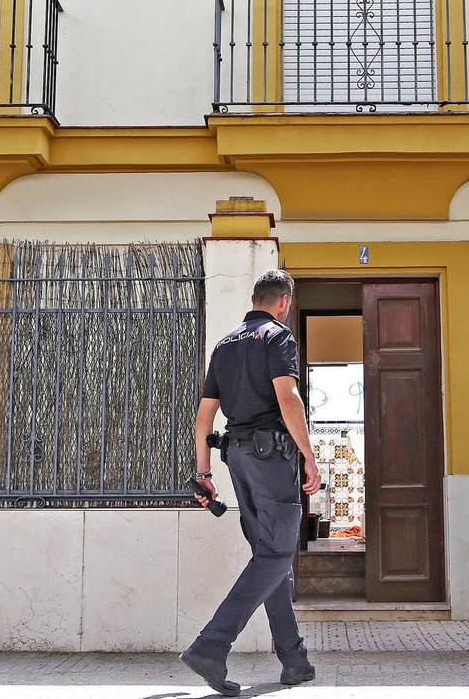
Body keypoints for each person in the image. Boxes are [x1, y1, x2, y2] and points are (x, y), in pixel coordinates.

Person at [179, 269, 322, 696]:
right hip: (272, 456)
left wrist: (204, 475)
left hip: (237, 457)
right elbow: (288, 397)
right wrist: (309, 455)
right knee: (278, 553)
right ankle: (211, 645)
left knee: (269, 554)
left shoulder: (225, 344)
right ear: (284, 302)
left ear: (256, 298)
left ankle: (294, 660)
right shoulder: (278, 337)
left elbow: (205, 416)